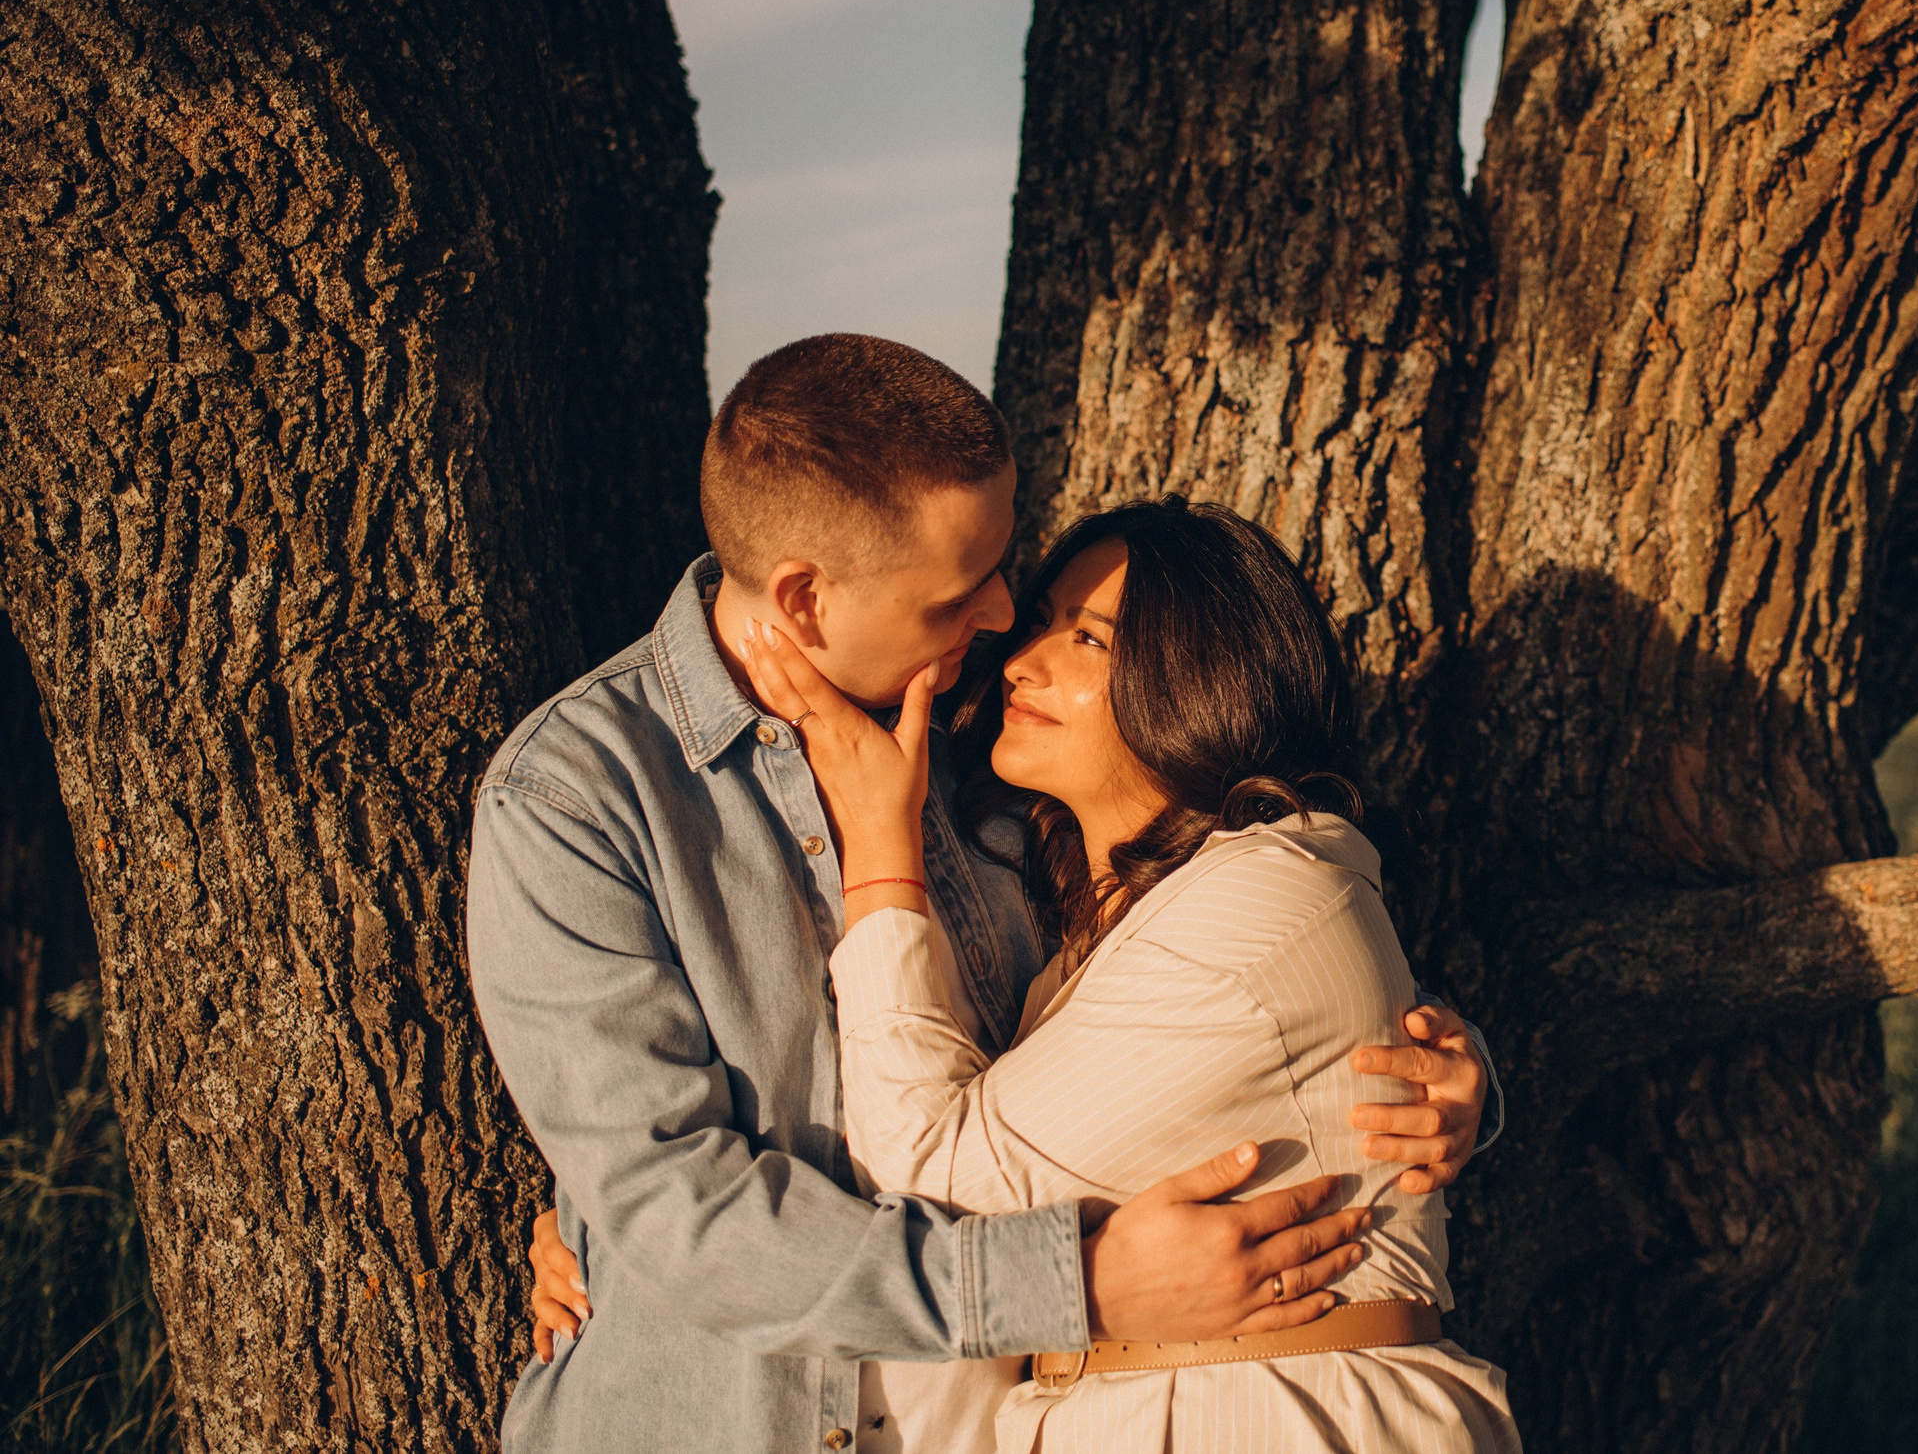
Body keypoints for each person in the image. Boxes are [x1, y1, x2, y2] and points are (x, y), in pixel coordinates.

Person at [469, 336, 1494, 1453]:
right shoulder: (578, 799)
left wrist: (1436, 1079)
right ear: (808, 598)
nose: (1004, 619)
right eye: (963, 591)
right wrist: (1079, 1283)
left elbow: (1206, 972)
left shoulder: (994, 761)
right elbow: (678, 1211)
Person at [734, 496, 1521, 1452]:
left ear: (1201, 679)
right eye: (1038, 625)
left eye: (1089, 640)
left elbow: (932, 1177)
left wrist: (879, 846)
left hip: (1279, 1417)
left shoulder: (1260, 905)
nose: (1023, 660)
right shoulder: (1100, 937)